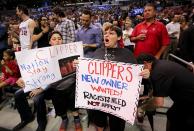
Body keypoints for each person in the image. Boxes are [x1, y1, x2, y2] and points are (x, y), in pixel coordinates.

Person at [14, 31, 82, 131]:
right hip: (51, 86)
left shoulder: (71, 51)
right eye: (54, 39)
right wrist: (22, 78)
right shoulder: (42, 55)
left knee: (72, 104)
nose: (57, 41)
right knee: (19, 94)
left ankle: (76, 120)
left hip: (68, 85)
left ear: (62, 40)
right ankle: (64, 119)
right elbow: (34, 70)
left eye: (59, 38)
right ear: (49, 42)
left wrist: (80, 63)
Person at [89, 25, 149, 131]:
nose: (106, 35)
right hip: (100, 98)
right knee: (99, 122)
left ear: (119, 37)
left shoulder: (127, 54)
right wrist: (79, 65)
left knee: (116, 125)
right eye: (105, 33)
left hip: (118, 102)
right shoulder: (98, 52)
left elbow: (135, 78)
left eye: (111, 33)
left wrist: (145, 74)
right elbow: (89, 72)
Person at [137, 53, 194, 131]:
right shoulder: (161, 64)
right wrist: (148, 97)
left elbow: (158, 103)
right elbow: (158, 90)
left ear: (145, 63)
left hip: (189, 100)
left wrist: (142, 108)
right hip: (184, 98)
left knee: (178, 121)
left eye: (140, 68)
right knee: (172, 114)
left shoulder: (157, 72)